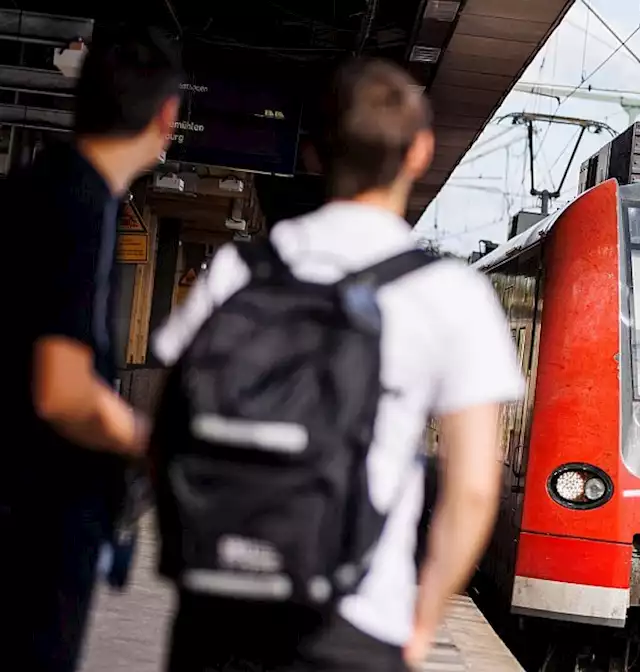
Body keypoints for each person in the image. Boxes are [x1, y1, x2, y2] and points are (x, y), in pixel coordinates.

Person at [150, 58, 523, 671]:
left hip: (219, 613)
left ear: (316, 153)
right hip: (356, 619)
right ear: (421, 152)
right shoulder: (450, 293)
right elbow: (475, 489)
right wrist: (421, 621)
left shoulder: (242, 269)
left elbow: (168, 427)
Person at [1, 25, 183, 672]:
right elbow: (63, 390)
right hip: (29, 537)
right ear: (167, 116)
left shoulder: (41, 186)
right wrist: (153, 443)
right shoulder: (80, 202)